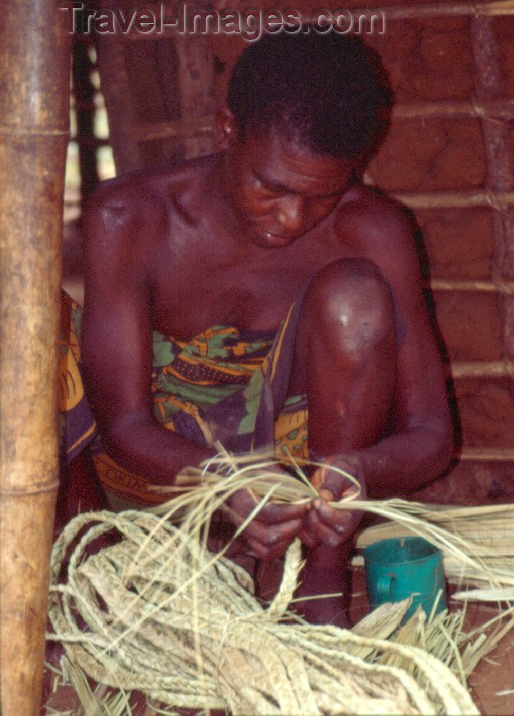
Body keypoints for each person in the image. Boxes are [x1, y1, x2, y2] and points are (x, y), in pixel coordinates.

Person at [80, 30, 453, 626]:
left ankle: (317, 572)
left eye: (323, 197)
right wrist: (221, 477)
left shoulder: (373, 229)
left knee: (354, 295)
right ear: (227, 130)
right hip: (166, 478)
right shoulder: (130, 219)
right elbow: (122, 423)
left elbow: (432, 433)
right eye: (272, 187)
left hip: (303, 498)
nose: (291, 218)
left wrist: (359, 472)